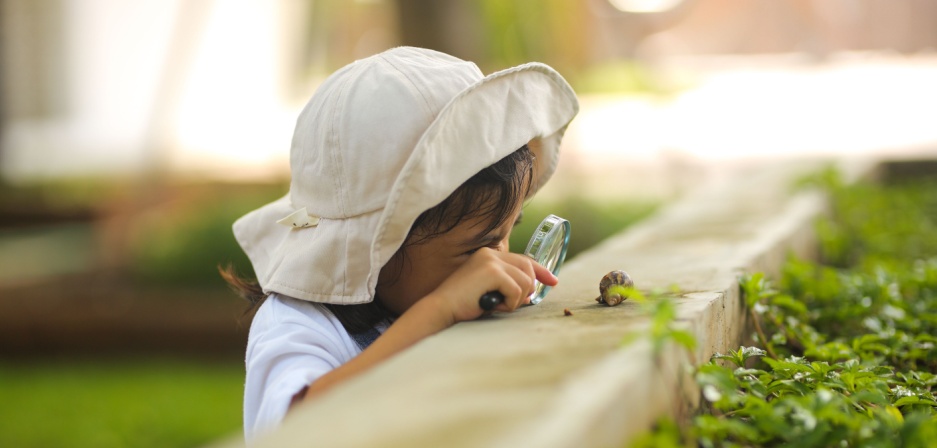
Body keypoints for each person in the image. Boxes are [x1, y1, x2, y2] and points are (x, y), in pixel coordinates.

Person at [223, 46, 579, 440]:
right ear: (374, 251)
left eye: (506, 234)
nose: (493, 264)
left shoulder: (420, 296)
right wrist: (438, 311)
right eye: (476, 248)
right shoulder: (298, 324)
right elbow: (298, 426)